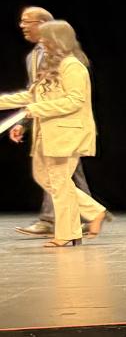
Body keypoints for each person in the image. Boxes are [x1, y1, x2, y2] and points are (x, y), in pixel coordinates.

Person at [0, 21, 106, 248]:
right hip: (46, 133)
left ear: (57, 39)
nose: (41, 42)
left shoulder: (72, 66)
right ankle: (94, 211)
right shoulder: (50, 66)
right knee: (45, 177)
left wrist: (36, 110)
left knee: (59, 182)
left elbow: (75, 100)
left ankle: (68, 232)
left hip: (66, 134)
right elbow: (30, 96)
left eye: (45, 38)